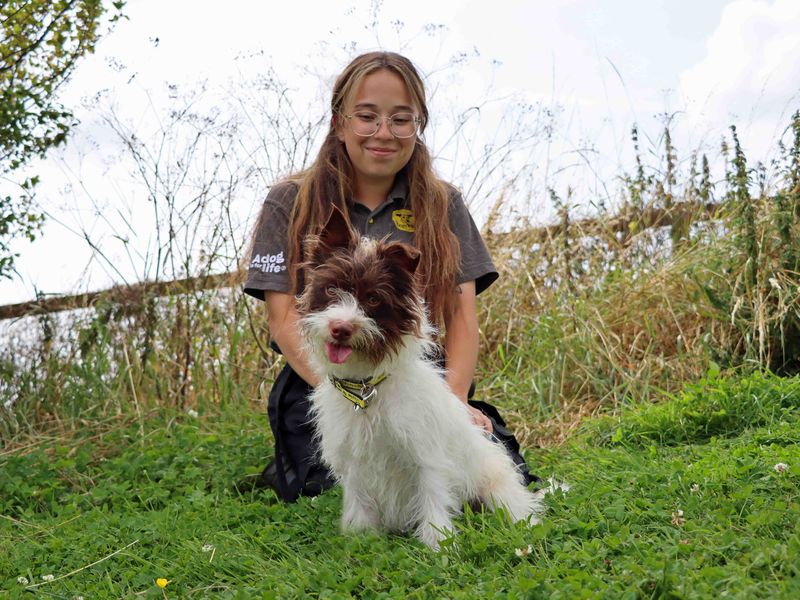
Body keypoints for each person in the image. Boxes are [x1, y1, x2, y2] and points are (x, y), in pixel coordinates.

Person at [241, 51, 538, 502]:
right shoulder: (289, 200)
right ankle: (293, 459)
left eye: (401, 119)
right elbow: (283, 320)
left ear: (417, 126)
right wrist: (348, 401)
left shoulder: (444, 203)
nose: (384, 133)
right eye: (367, 116)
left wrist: (454, 402)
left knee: (494, 475)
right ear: (340, 122)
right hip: (322, 383)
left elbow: (461, 316)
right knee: (330, 487)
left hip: (420, 382)